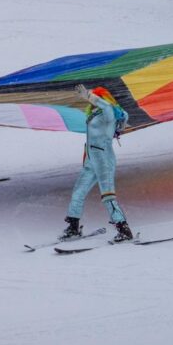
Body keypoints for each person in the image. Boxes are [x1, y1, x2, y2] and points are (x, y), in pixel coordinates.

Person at [59, 84, 133, 243]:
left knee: (108, 195)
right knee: (78, 192)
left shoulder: (108, 112)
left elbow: (106, 105)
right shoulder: (94, 114)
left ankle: (123, 229)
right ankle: (73, 227)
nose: (93, 101)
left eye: (97, 97)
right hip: (91, 158)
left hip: (103, 158)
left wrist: (89, 95)